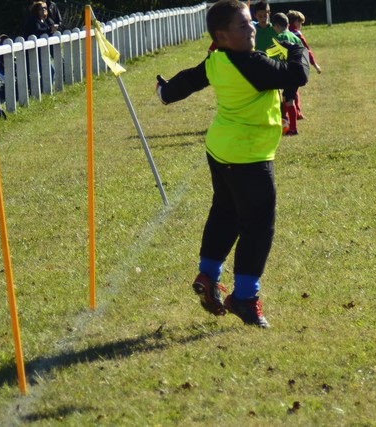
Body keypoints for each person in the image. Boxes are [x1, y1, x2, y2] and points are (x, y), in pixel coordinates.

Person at [155, 0, 309, 328]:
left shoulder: (217, 59)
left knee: (225, 212)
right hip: (248, 157)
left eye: (250, 22)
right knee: (258, 226)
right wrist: (297, 45)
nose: (252, 28)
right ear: (222, 35)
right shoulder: (252, 64)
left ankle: (208, 275)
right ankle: (245, 298)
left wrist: (165, 92)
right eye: (243, 25)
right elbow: (297, 75)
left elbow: (190, 79)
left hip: (220, 151)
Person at [271, 12, 303, 136]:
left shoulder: (279, 38)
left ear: (276, 26)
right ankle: (286, 121)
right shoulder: (295, 37)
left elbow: (275, 56)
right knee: (288, 98)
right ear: (288, 24)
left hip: (287, 72)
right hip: (298, 72)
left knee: (288, 100)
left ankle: (293, 129)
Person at [287, 10, 322, 120]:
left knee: (285, 92)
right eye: (301, 23)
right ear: (296, 22)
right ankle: (297, 113)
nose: (301, 26)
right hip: (296, 66)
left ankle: (285, 115)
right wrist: (315, 64)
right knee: (294, 91)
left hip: (284, 66)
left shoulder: (283, 32)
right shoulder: (297, 34)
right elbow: (306, 50)